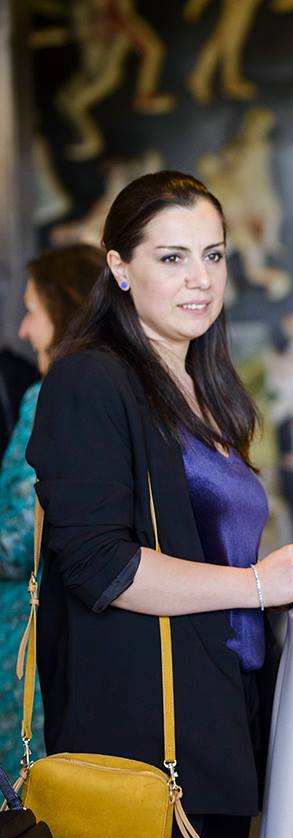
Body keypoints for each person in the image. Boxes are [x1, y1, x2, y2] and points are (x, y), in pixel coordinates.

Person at [26, 171, 293, 838]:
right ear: (119, 267)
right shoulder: (90, 378)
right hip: (144, 725)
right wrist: (260, 583)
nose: (200, 279)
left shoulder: (206, 386)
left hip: (226, 704)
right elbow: (102, 567)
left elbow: (214, 549)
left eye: (212, 255)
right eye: (172, 257)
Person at [0, 244, 102, 758]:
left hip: (24, 636)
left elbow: (19, 540)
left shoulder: (46, 398)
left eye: (32, 312)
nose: (23, 330)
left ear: (62, 312)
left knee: (25, 784)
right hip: (83, 631)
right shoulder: (115, 392)